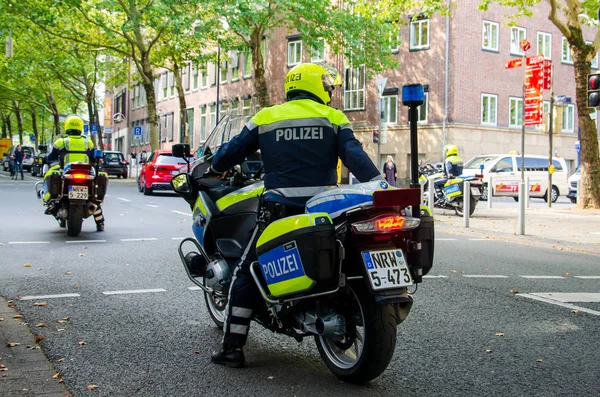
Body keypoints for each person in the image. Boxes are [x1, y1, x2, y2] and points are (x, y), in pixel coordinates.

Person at [206, 62, 383, 368]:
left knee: (247, 272)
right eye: (327, 88)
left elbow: (231, 152)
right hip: (325, 212)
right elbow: (355, 156)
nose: (329, 93)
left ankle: (232, 348)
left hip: (279, 213)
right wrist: (379, 184)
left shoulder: (267, 116)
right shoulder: (333, 117)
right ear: (315, 86)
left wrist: (215, 167)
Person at [45, 115, 105, 231]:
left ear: (67, 126)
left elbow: (51, 157)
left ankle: (57, 211)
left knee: (56, 197)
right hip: (86, 173)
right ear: (80, 127)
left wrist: (46, 159)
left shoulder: (61, 141)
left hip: (68, 173)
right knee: (93, 198)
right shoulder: (88, 142)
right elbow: (93, 158)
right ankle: (100, 223)